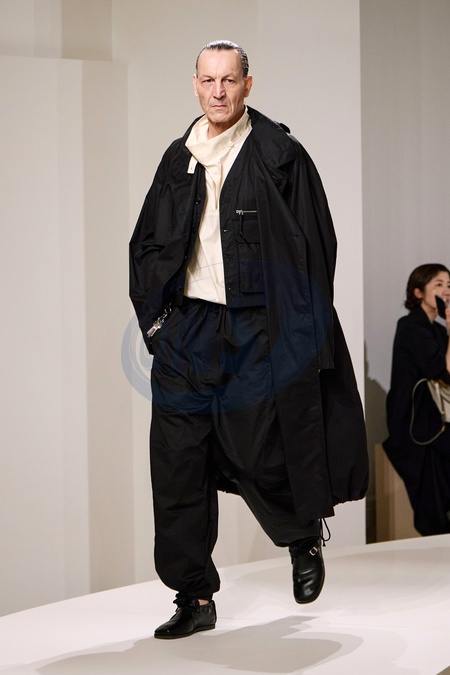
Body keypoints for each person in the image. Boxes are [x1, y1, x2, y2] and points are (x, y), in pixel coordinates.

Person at [129, 40, 368, 639]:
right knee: (177, 464)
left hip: (256, 326)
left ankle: (301, 535)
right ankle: (193, 595)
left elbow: (316, 247)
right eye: (208, 81)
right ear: (195, 85)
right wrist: (157, 324)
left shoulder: (280, 155)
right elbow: (147, 242)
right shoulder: (177, 158)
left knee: (261, 449)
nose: (218, 92)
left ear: (247, 85)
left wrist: (301, 332)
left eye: (229, 80)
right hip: (188, 329)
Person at [383, 263, 450, 536]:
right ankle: (436, 529)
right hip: (414, 419)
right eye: (439, 284)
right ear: (418, 292)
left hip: (434, 416)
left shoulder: (439, 331)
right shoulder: (410, 325)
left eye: (449, 285)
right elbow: (443, 371)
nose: (446, 291)